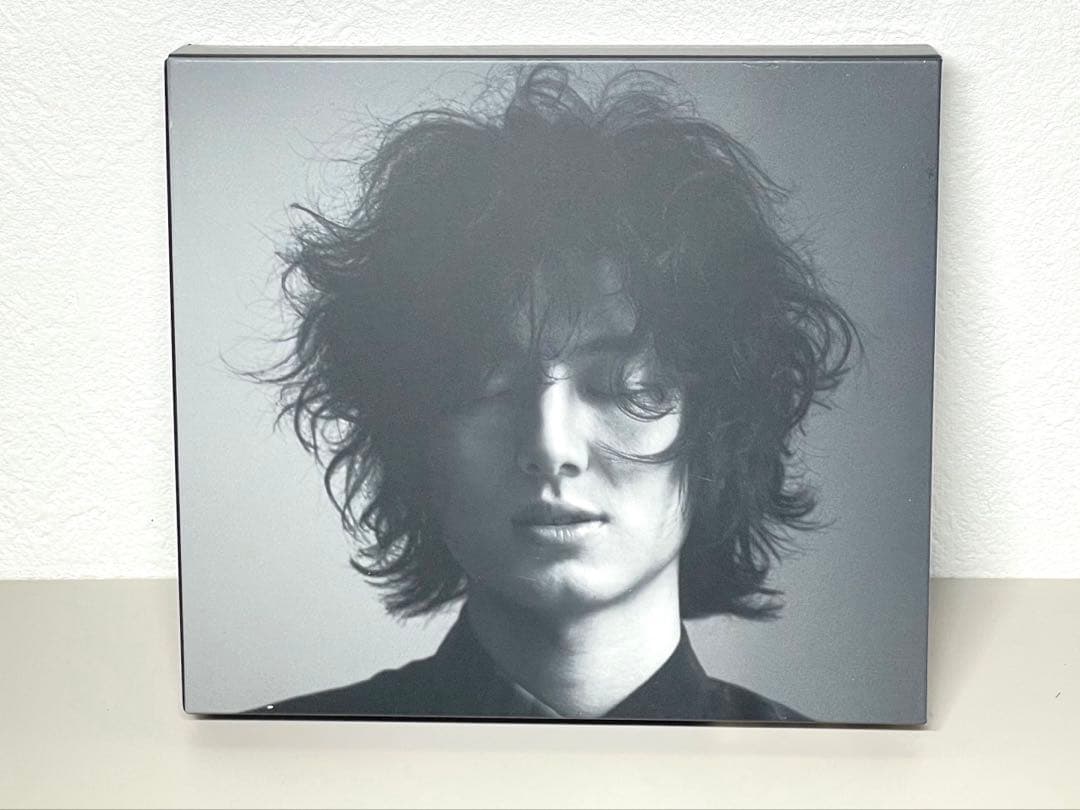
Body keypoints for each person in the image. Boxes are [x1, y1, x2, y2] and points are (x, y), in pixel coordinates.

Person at [250, 63, 857, 722]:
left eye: (625, 386)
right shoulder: (282, 758)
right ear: (413, 433)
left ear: (721, 433)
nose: (551, 447)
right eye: (487, 385)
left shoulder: (828, 771)